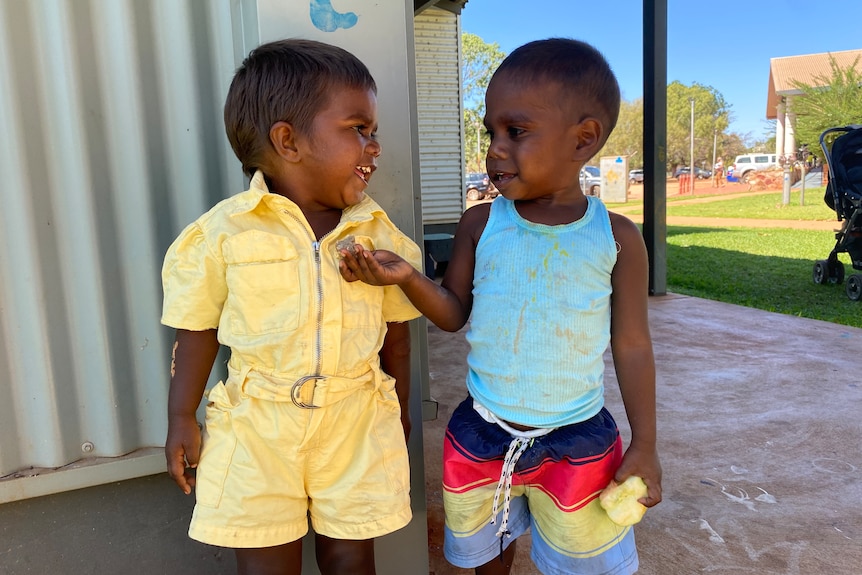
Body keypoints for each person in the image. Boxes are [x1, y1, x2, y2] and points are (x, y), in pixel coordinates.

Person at [339, 38, 662, 575]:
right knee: (489, 555)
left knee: (584, 560)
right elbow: (452, 314)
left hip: (578, 440)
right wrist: (407, 278)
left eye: (516, 132)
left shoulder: (618, 237)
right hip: (483, 434)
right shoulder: (481, 223)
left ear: (584, 140)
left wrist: (645, 443)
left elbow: (632, 345)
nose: (494, 149)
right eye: (491, 131)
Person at [161, 39, 423, 575]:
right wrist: (180, 417)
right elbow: (197, 331)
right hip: (257, 426)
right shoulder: (222, 234)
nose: (375, 146)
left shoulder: (376, 234)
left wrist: (401, 408)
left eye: (374, 132)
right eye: (359, 129)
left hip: (357, 420)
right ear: (288, 140)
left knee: (352, 558)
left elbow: (397, 331)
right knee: (264, 562)